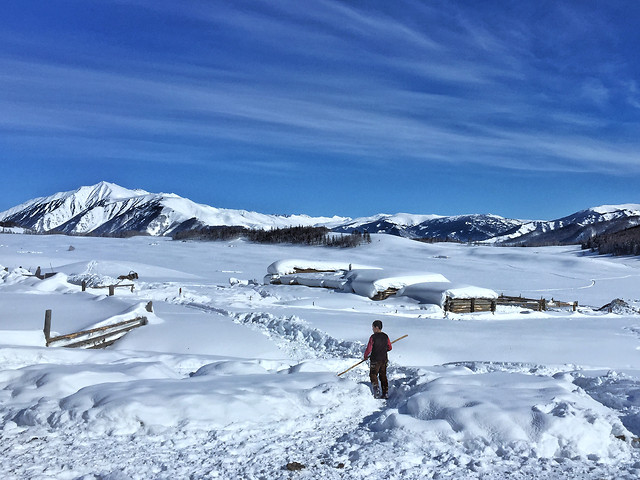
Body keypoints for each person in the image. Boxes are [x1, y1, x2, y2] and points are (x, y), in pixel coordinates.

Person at [364, 320, 392, 399]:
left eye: (373, 327)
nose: (372, 329)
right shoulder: (385, 336)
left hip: (375, 360)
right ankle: (385, 392)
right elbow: (390, 347)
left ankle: (376, 391)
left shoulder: (373, 337)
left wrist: (365, 356)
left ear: (376, 327)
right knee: (383, 375)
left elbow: (369, 348)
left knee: (373, 374)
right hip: (384, 359)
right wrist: (384, 349)